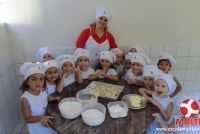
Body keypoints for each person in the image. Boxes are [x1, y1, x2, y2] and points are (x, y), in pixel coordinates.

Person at [19, 62, 57, 134]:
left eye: (41, 79)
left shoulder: (42, 90)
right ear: (27, 81)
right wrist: (40, 118)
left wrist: (52, 98)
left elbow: (44, 98)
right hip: (37, 128)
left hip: (46, 121)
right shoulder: (25, 99)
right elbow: (27, 119)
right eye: (34, 79)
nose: (38, 82)